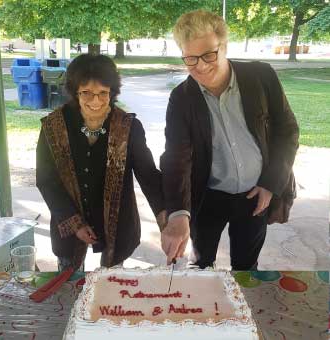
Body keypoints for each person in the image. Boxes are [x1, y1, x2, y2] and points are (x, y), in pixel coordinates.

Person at [160, 10, 299, 270]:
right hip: (208, 196)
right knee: (201, 264)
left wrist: (270, 183)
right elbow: (176, 157)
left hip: (256, 194)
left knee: (246, 267)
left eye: (209, 54)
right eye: (190, 58)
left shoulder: (261, 76)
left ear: (224, 46)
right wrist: (178, 213)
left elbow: (287, 130)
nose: (200, 66)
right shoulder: (181, 99)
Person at [36, 54, 166, 271]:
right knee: (70, 285)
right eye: (86, 92)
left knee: (112, 288)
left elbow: (148, 175)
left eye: (103, 93)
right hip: (69, 224)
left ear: (112, 92)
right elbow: (46, 180)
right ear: (75, 91)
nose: (95, 101)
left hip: (118, 226)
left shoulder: (129, 127)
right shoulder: (53, 127)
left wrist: (164, 213)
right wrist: (74, 223)